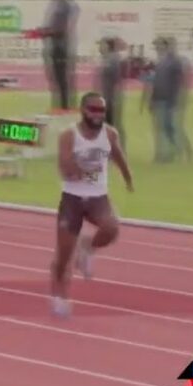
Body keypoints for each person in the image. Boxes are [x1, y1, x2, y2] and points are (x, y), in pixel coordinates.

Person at [51, 93, 134, 318]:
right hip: (72, 198)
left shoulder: (109, 134)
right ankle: (59, 296)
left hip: (98, 197)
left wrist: (128, 177)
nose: (98, 114)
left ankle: (87, 247)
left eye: (101, 110)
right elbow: (64, 167)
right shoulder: (69, 135)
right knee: (63, 256)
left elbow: (118, 155)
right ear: (83, 110)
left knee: (112, 229)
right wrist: (77, 170)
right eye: (93, 109)